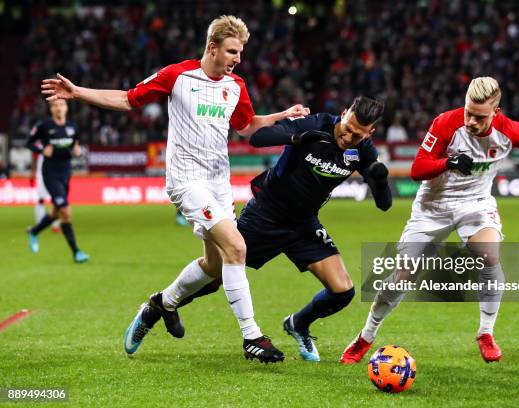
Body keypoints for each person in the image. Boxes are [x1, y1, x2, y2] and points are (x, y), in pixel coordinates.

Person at [41, 15, 309, 363]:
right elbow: (127, 99)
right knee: (237, 248)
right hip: (187, 181)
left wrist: (282, 115)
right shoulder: (178, 75)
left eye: (240, 53)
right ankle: (252, 337)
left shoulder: (236, 85)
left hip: (219, 184)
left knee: (214, 267)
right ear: (212, 47)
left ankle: (158, 305)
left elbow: (245, 127)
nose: (237, 59)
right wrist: (78, 92)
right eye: (231, 51)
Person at [121, 96, 391, 362]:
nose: (348, 138)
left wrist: (379, 180)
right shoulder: (315, 124)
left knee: (343, 291)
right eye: (347, 129)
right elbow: (257, 139)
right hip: (265, 215)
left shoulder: (364, 151)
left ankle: (298, 323)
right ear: (343, 113)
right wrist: (295, 137)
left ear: (370, 132)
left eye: (357, 136)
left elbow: (384, 205)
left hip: (304, 224)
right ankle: (157, 306)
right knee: (214, 274)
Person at [340, 77, 519, 364]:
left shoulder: (509, 131)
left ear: (496, 111)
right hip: (432, 207)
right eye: (468, 112)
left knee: (489, 255)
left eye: (479, 117)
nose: (471, 121)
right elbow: (417, 169)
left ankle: (486, 332)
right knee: (405, 273)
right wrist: (449, 162)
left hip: (475, 204)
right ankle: (366, 336)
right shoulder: (446, 123)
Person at [26, 99, 89, 263]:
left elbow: (75, 146)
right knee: (65, 212)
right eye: (55, 105)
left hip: (65, 173)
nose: (58, 108)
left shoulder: (72, 127)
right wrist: (41, 150)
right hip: (50, 174)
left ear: (66, 107)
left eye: (61, 105)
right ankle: (76, 252)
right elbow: (29, 143)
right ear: (51, 109)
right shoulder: (44, 126)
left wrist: (77, 151)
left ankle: (33, 232)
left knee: (55, 212)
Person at [30, 151, 61, 233]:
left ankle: (55, 224)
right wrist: (33, 172)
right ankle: (40, 223)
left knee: (56, 199)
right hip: (40, 174)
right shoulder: (40, 143)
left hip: (53, 174)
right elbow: (34, 158)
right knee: (41, 199)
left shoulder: (54, 143)